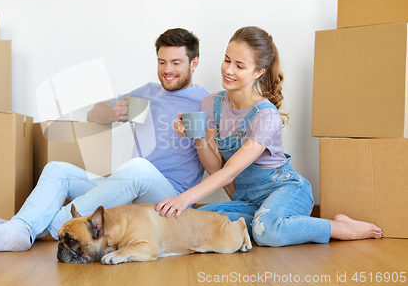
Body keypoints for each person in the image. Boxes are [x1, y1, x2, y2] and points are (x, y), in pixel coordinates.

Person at [0, 28, 210, 251]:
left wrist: (196, 135)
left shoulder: (207, 102)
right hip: (128, 188)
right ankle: (23, 227)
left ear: (194, 63)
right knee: (57, 170)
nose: (167, 70)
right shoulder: (147, 93)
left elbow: (215, 165)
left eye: (176, 63)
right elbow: (94, 114)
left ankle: (35, 228)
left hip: (169, 199)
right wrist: (112, 113)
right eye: (162, 62)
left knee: (139, 168)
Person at [155, 26, 383, 247]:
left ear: (258, 72)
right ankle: (263, 222)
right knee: (198, 218)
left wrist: (183, 198)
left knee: (267, 232)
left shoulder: (266, 116)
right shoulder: (211, 104)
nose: (228, 70)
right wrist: (197, 137)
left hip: (286, 191)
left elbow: (229, 172)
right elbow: (215, 167)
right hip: (249, 200)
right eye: (227, 60)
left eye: (239, 66)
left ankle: (342, 228)